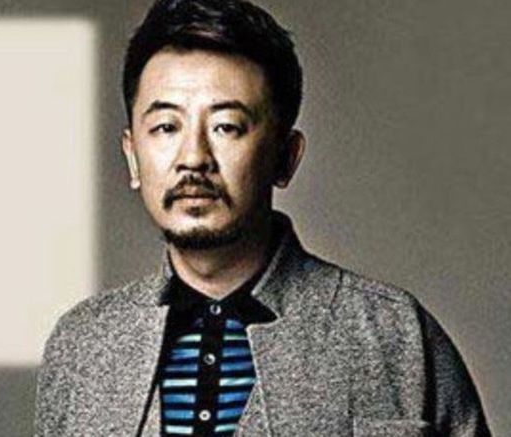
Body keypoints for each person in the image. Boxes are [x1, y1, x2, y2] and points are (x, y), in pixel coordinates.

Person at [34, 0, 491, 435]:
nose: (193, 158)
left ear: (285, 157)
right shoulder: (82, 345)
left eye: (226, 127)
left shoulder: (397, 335)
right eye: (166, 127)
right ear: (133, 157)